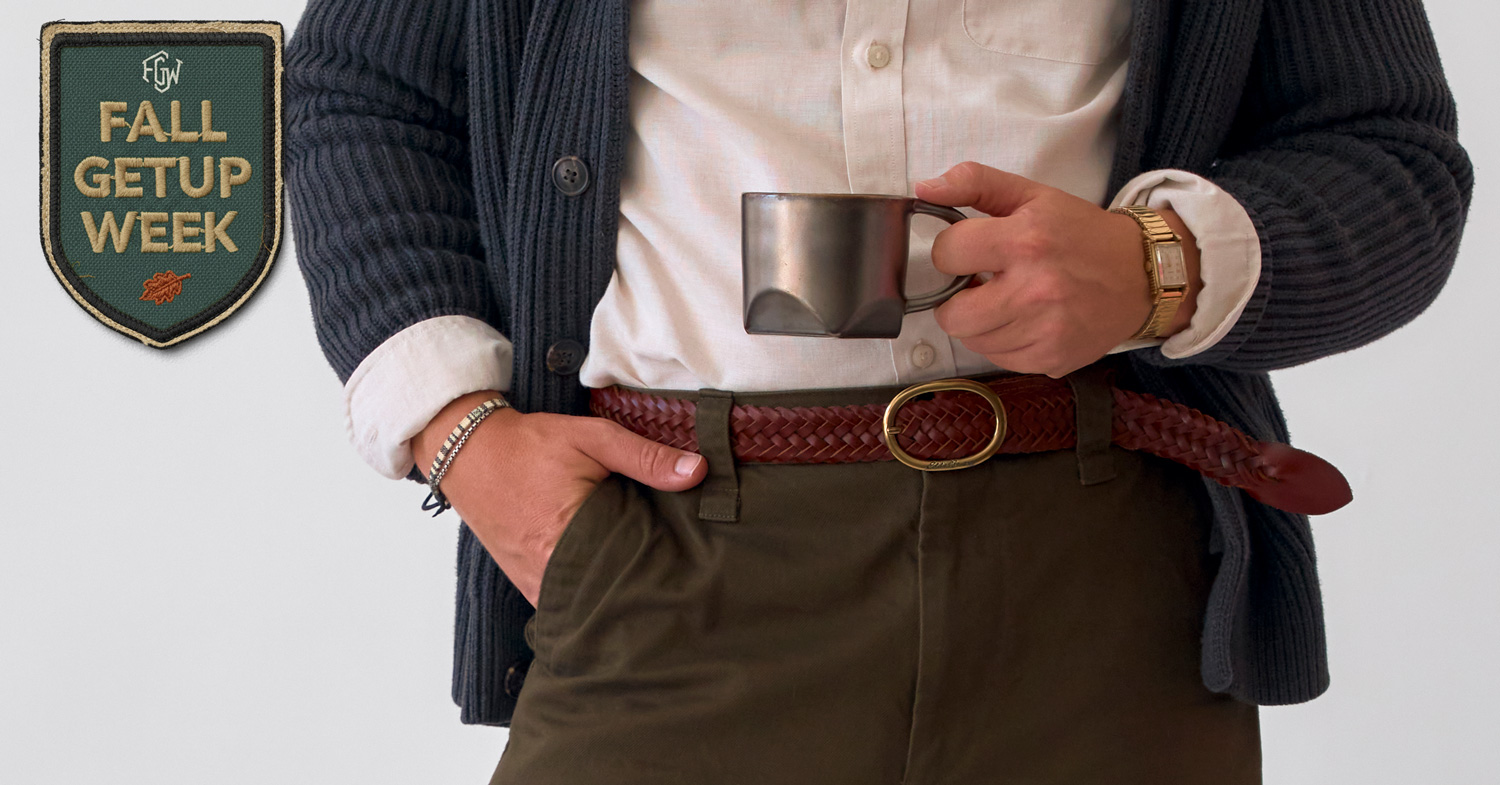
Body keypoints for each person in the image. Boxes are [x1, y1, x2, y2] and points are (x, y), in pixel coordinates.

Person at [284, 1, 1472, 782]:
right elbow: (360, 95)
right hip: (665, 556)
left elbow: (1390, 156)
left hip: (1101, 574)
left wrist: (1155, 267)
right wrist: (457, 430)